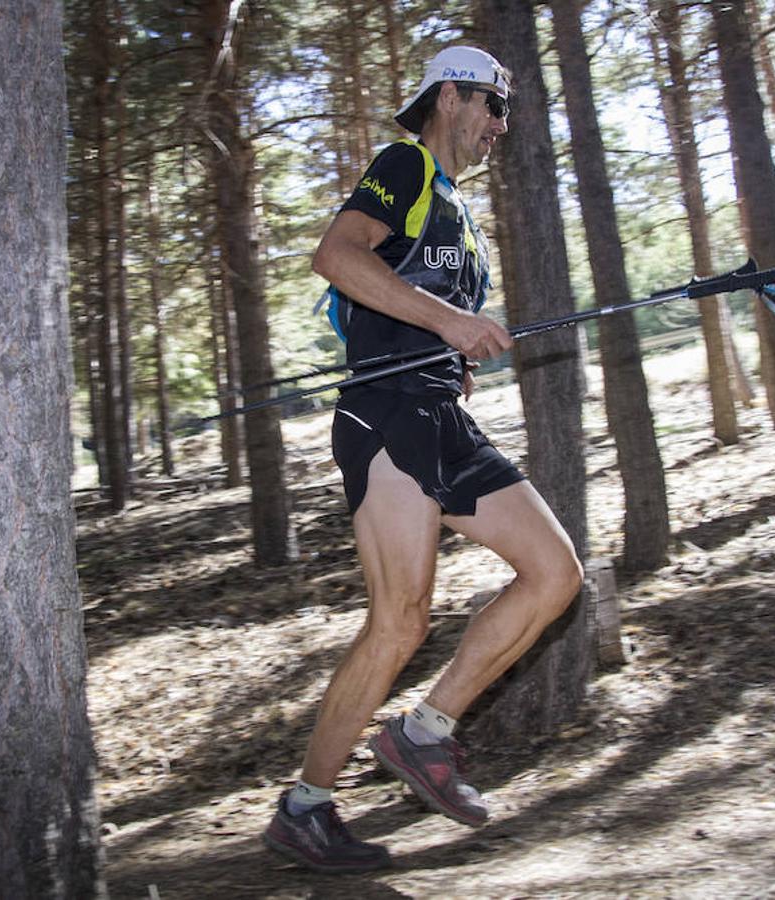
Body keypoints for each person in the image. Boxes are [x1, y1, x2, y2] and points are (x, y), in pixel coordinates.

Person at [262, 46, 584, 874]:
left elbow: (410, 303)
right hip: (386, 415)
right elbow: (337, 257)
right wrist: (445, 322)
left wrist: (456, 346)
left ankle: (421, 732)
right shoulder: (402, 166)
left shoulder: (454, 211)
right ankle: (305, 810)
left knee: (555, 574)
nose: (499, 127)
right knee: (401, 620)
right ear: (450, 96)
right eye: (491, 106)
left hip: (436, 413)